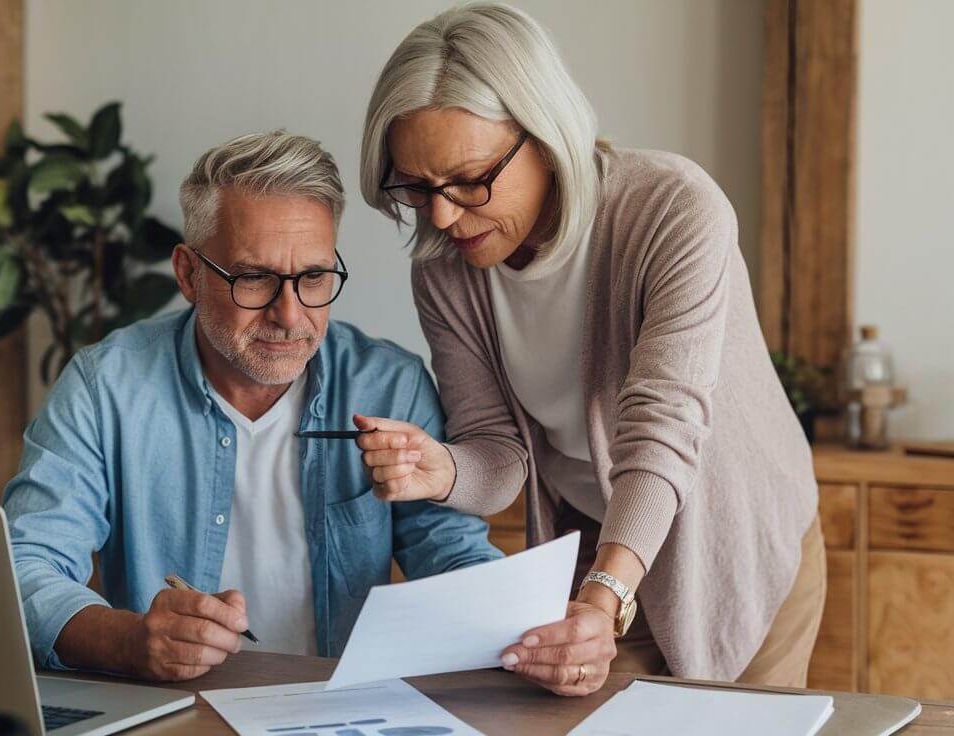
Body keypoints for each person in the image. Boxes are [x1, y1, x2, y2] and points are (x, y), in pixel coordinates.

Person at [354, 3, 825, 695]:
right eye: (419, 189)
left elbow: (659, 431)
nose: (445, 216)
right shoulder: (444, 269)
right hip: (599, 543)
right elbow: (500, 457)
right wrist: (444, 469)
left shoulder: (673, 210)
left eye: (471, 180)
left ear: (544, 134)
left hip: (737, 545)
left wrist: (604, 600)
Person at [3, 130, 502, 682]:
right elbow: (24, 569)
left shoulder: (390, 384)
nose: (290, 316)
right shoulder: (107, 387)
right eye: (255, 278)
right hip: (176, 715)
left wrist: (529, 629)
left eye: (313, 277)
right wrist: (129, 641)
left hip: (344, 713)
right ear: (189, 274)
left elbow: (456, 559)